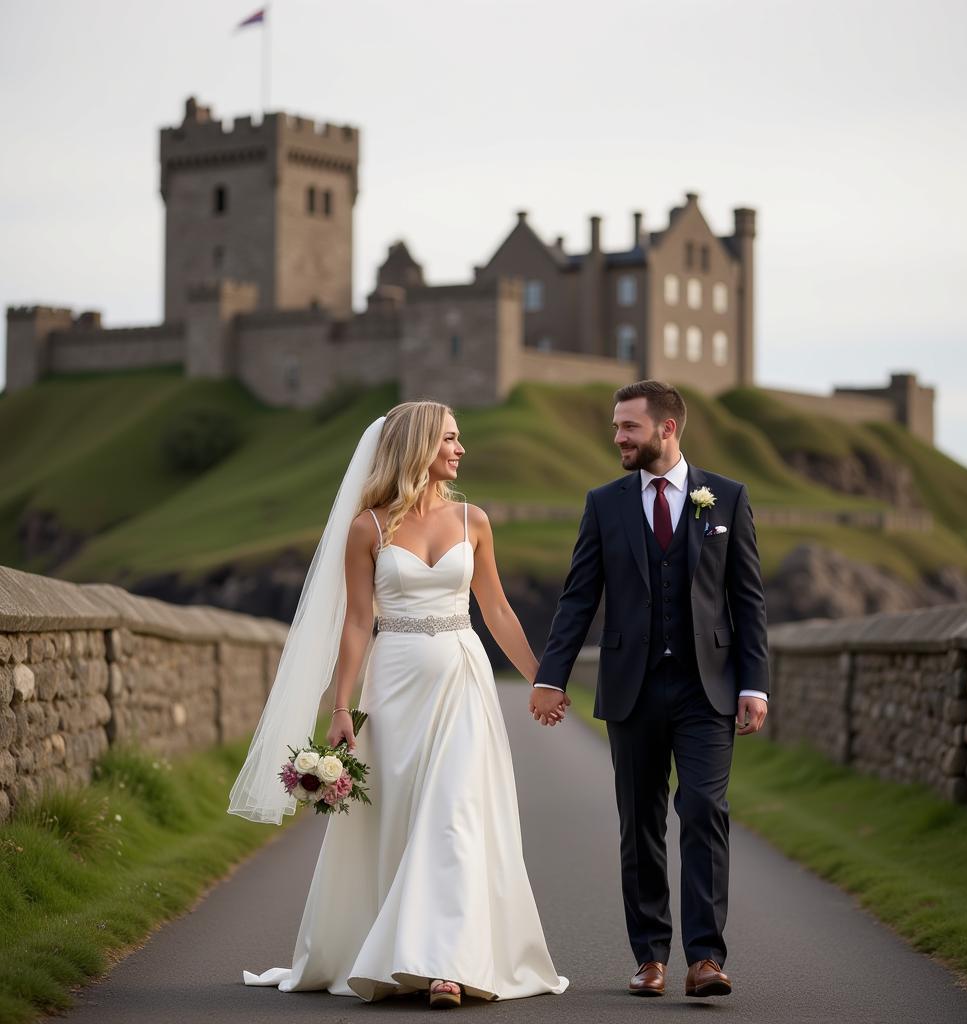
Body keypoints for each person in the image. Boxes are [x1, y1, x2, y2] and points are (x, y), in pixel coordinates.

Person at [230, 401, 569, 1007]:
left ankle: (447, 965)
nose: (460, 450)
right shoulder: (369, 527)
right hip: (394, 685)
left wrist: (542, 678)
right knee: (401, 815)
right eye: (449, 439)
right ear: (418, 447)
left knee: (454, 815)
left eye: (460, 439)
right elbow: (358, 622)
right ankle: (389, 952)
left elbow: (496, 610)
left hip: (463, 680)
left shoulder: (474, 520)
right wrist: (341, 710)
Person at [530, 379, 769, 1000]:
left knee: (704, 811)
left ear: (667, 429)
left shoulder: (728, 499)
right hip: (631, 687)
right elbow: (579, 596)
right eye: (615, 428)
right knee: (640, 823)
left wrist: (756, 685)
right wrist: (551, 676)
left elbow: (747, 602)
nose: (617, 438)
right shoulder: (604, 503)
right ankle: (650, 956)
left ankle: (706, 959)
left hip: (706, 690)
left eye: (627, 428)